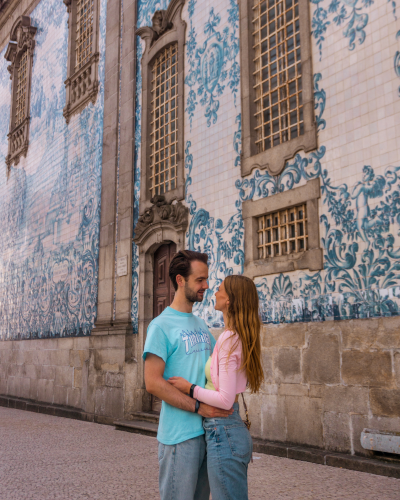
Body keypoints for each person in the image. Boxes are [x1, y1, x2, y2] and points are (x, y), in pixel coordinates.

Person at [143, 250, 233, 500]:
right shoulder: (160, 326)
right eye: (200, 280)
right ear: (180, 280)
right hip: (179, 437)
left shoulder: (201, 325)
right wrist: (197, 407)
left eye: (206, 279)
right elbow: (152, 382)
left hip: (208, 433)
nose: (206, 285)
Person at [169, 275, 264, 500]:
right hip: (226, 430)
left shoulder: (230, 339)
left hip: (224, 431)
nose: (214, 292)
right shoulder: (233, 336)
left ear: (229, 300)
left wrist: (189, 388)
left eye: (220, 289)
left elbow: (225, 399)